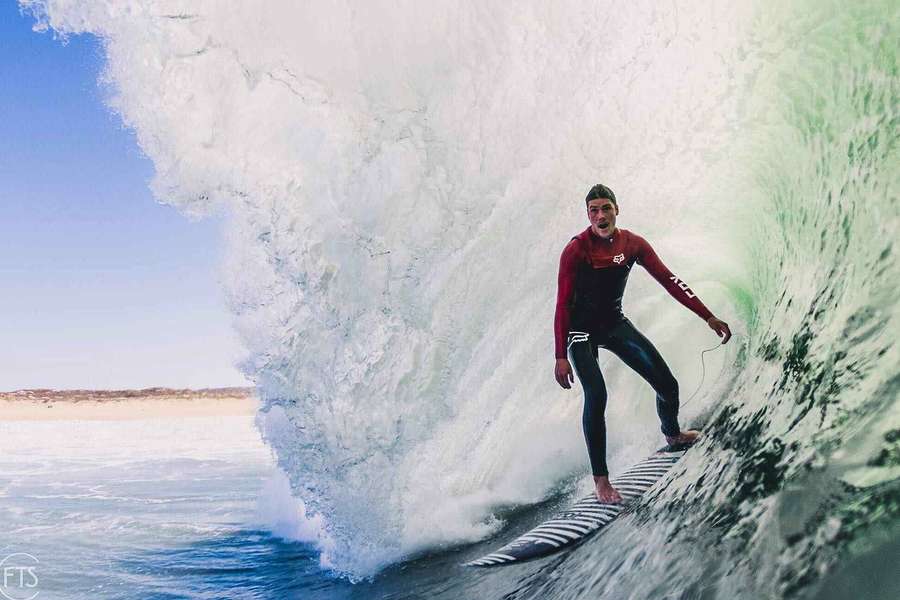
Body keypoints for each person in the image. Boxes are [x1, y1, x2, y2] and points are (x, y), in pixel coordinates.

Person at [554, 183, 731, 504]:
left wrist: (708, 317)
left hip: (614, 324)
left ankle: (673, 434)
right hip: (580, 333)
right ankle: (601, 481)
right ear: (588, 215)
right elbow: (563, 304)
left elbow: (670, 280)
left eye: (606, 208)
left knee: (667, 384)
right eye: (594, 210)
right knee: (597, 394)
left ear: (616, 210)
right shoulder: (576, 249)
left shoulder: (633, 244)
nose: (600, 215)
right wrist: (560, 356)